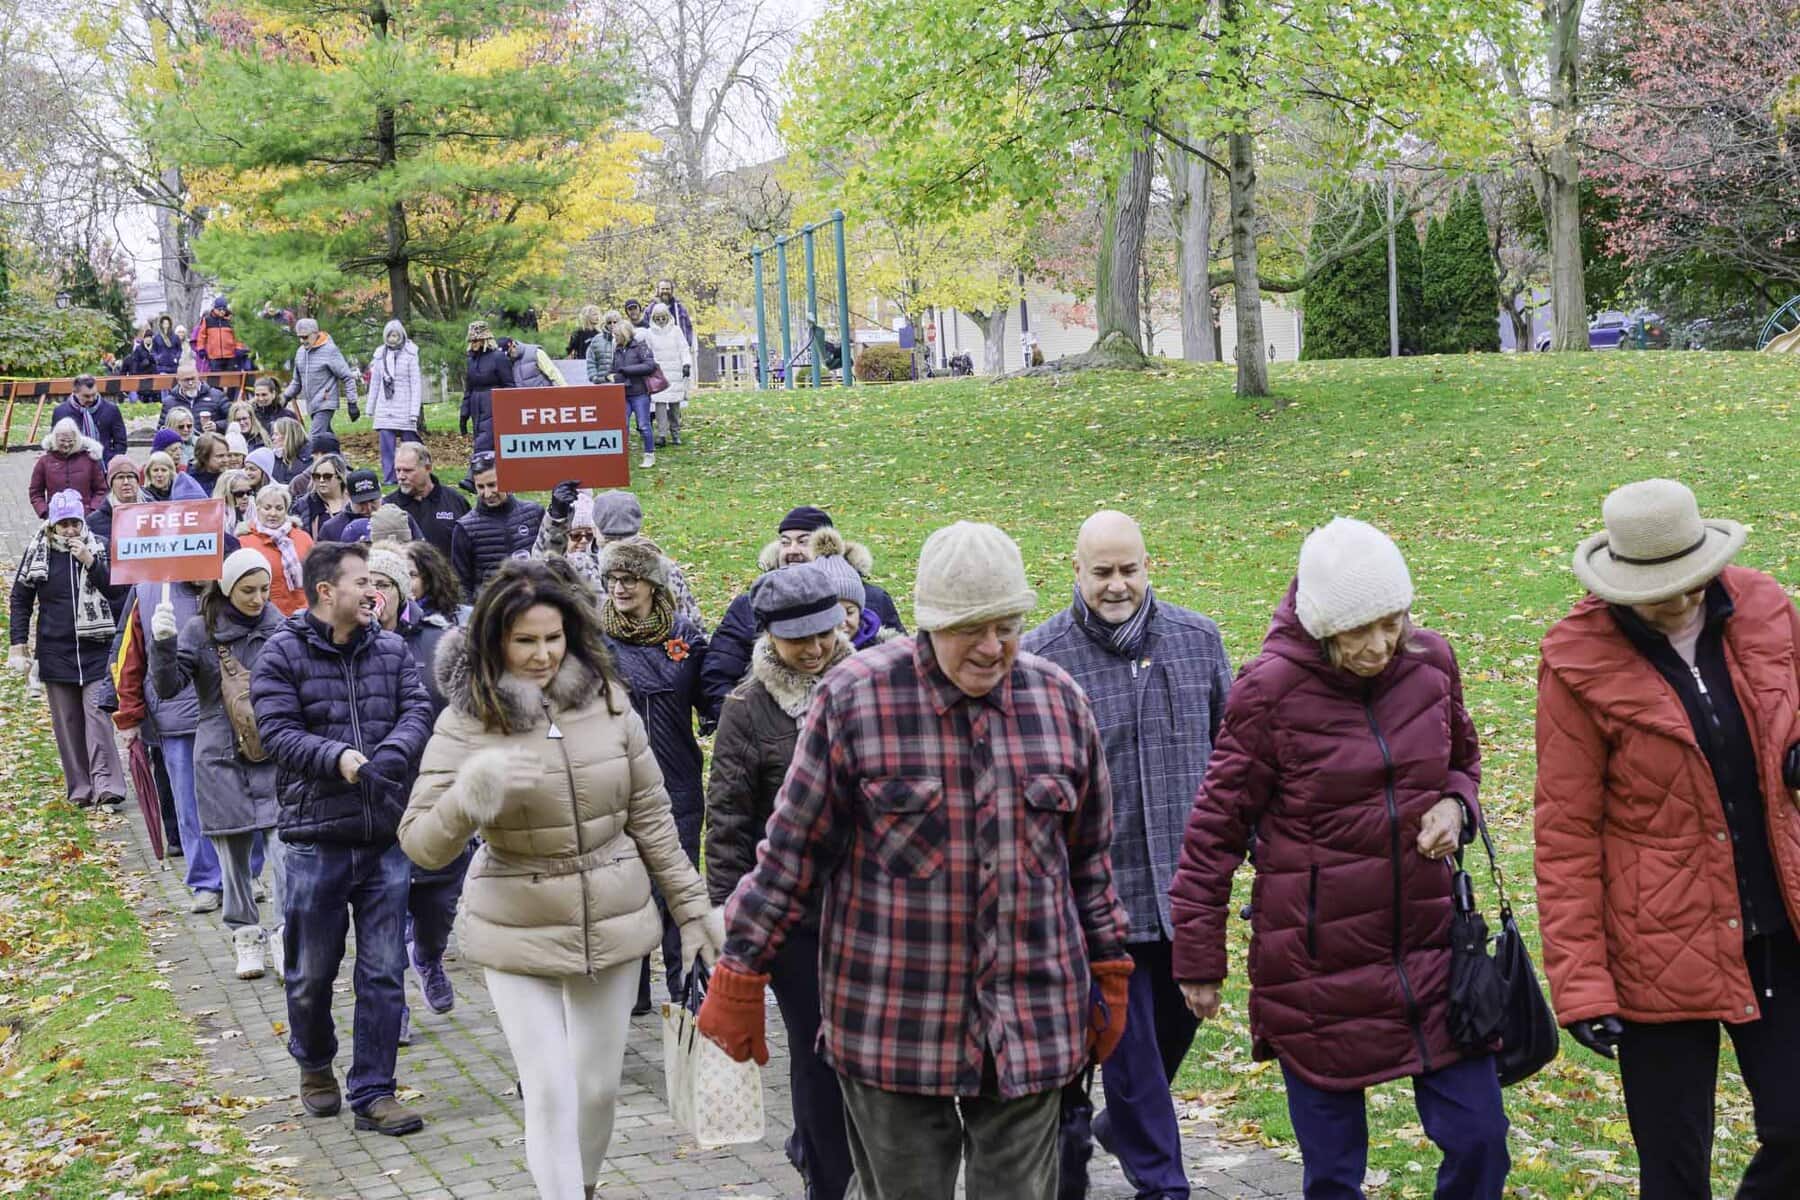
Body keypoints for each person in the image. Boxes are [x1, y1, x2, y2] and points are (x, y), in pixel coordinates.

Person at [697, 521, 1133, 1200]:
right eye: (970, 629)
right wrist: (740, 970)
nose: (993, 648)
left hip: (1032, 1019)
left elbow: (1091, 863)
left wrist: (1109, 969)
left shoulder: (1060, 703)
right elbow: (790, 855)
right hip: (893, 1023)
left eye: (1007, 626)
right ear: (929, 623)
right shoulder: (855, 701)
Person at [1168, 518, 1507, 1199]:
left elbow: (1462, 762)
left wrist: (1455, 807)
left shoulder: (1432, 663)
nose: (1380, 645)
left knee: (1480, 1142)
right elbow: (1214, 832)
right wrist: (1198, 960)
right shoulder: (1267, 693)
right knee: (1333, 1176)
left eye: (1392, 622)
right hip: (1315, 971)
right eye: (1359, 630)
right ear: (1323, 625)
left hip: (1433, 954)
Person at [400, 558, 722, 1200]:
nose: (543, 654)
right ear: (496, 640)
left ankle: (586, 1185)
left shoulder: (608, 701)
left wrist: (692, 909)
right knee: (548, 1087)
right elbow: (421, 845)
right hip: (516, 921)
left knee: (597, 1089)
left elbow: (653, 816)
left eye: (554, 638)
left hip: (614, 914)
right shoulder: (467, 721)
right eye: (526, 641)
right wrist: (472, 794)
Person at [1535, 479, 1800, 1197]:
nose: (1679, 601)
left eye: (1690, 584)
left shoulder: (1768, 610)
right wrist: (1582, 984)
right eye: (1658, 591)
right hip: (1653, 948)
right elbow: (1565, 832)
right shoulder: (1575, 660)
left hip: (1778, 926)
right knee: (1676, 1171)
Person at [1022, 511, 1232, 1200]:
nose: (1117, 585)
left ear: (1149, 567)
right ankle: (1163, 1186)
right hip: (1099, 905)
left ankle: (1121, 1128)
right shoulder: (1041, 658)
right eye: (1102, 572)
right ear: (1074, 571)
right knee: (1133, 1056)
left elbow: (1233, 765)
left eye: (1128, 570)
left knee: (1165, 1044)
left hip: (1188, 898)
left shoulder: (1198, 641)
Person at [250, 541, 435, 1137]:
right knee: (309, 973)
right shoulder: (279, 655)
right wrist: (341, 761)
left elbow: (417, 711)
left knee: (382, 973)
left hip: (385, 837)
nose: (372, 590)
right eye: (361, 581)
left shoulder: (391, 649)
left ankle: (375, 1091)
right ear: (327, 592)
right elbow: (276, 733)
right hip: (313, 841)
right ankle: (314, 1061)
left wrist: (391, 756)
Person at [704, 562, 856, 1200]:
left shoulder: (867, 685)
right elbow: (730, 818)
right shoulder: (747, 708)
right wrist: (727, 916)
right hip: (795, 915)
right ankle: (827, 1173)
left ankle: (845, 1150)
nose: (815, 648)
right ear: (768, 636)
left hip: (872, 909)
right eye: (798, 639)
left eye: (823, 632)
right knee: (817, 1049)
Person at [153, 549, 287, 979]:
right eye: (248, 590)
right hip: (219, 754)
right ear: (227, 589)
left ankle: (286, 933)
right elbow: (169, 688)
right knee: (232, 854)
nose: (258, 598)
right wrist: (163, 645)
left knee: (285, 850)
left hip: (272, 753)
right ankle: (246, 935)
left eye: (264, 589)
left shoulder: (279, 626)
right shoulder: (200, 629)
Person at [594, 538, 715, 1010]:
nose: (620, 588)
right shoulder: (593, 642)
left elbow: (711, 698)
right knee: (624, 891)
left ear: (652, 583)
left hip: (677, 778)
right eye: (614, 579)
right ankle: (631, 994)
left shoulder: (684, 636)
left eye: (631, 578)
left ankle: (687, 993)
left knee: (678, 887)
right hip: (615, 782)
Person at [365, 546, 461, 1042]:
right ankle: (393, 1005)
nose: (374, 595)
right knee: (385, 909)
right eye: (367, 585)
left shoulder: (438, 640)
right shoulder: (346, 644)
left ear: (403, 592)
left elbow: (464, 709)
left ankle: (429, 954)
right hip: (377, 799)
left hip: (436, 793)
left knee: (438, 904)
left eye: (384, 585)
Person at [702, 506, 905, 707]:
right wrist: (744, 723)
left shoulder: (874, 600)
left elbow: (904, 668)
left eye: (803, 542)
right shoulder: (749, 605)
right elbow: (718, 675)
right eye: (785, 542)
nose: (792, 551)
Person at [8, 490, 126, 812]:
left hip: (96, 649)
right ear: (53, 527)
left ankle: (108, 787)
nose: (71, 531)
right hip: (55, 650)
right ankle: (81, 789)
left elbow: (120, 593)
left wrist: (91, 563)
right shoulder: (39, 552)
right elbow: (21, 598)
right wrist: (19, 643)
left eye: (75, 523)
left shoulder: (99, 546)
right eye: (64, 525)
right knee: (68, 722)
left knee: (98, 716)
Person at [113, 571, 219, 910]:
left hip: (224, 713)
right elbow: (130, 657)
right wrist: (128, 713)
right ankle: (205, 880)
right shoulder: (148, 591)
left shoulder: (229, 581)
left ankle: (243, 873)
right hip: (175, 716)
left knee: (235, 799)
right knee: (188, 805)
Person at [450, 452, 544, 602]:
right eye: (480, 487)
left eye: (492, 485)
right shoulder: (464, 528)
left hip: (533, 603)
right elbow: (461, 584)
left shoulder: (535, 513)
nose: (487, 493)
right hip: (491, 610)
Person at [238, 484, 316, 617]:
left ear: (286, 510)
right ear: (258, 509)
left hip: (305, 613)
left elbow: (316, 575)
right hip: (267, 616)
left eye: (279, 508)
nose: (273, 513)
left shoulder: (303, 538)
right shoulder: (244, 542)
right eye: (267, 508)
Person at [386, 444, 469, 561]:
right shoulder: (389, 507)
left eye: (408, 470)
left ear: (428, 468)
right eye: (398, 470)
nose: (401, 476)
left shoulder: (454, 500)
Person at [283, 318, 361, 438]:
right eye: (299, 337)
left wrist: (352, 403)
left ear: (315, 333)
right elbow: (297, 382)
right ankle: (337, 456)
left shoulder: (330, 350)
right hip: (312, 405)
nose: (302, 341)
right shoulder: (300, 353)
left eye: (305, 337)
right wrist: (285, 397)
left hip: (325, 403)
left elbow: (347, 377)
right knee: (327, 440)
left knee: (313, 439)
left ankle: (307, 457)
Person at [370, 320, 425, 485]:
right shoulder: (380, 355)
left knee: (411, 444)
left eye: (395, 335)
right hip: (385, 406)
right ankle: (389, 477)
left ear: (401, 336)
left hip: (405, 405)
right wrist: (370, 407)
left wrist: (414, 411)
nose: (393, 338)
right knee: (386, 444)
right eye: (390, 335)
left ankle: (417, 471)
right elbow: (375, 382)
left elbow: (415, 384)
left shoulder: (410, 354)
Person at [29, 418, 107, 518]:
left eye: (70, 441)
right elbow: (35, 492)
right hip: (55, 518)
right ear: (54, 439)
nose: (66, 445)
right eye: (62, 440)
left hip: (86, 517)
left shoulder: (90, 460)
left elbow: (101, 490)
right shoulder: (44, 462)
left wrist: (93, 510)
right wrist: (45, 512)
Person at [641, 303, 693, 448]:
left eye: (663, 317)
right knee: (660, 406)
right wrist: (649, 367)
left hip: (675, 372)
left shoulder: (676, 331)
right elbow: (647, 353)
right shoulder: (650, 333)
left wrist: (686, 364)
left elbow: (684, 348)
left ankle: (676, 433)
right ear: (654, 318)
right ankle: (662, 435)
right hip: (659, 374)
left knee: (675, 406)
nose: (661, 321)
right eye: (658, 318)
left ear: (668, 317)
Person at [609, 317, 659, 469]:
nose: (615, 338)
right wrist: (607, 375)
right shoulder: (617, 349)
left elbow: (650, 366)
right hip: (622, 393)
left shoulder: (640, 347)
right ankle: (621, 457)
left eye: (617, 335)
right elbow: (614, 368)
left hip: (639, 393)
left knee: (643, 425)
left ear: (624, 334)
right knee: (622, 426)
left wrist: (626, 371)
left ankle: (649, 454)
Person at [460, 321, 514, 454]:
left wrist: (508, 412)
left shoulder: (498, 358)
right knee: (482, 443)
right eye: (471, 341)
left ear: (485, 340)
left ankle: (475, 473)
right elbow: (469, 388)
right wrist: (464, 414)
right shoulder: (471, 360)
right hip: (476, 406)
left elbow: (509, 386)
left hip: (494, 405)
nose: (473, 344)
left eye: (476, 340)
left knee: (483, 446)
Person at [53, 373, 130, 462]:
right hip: (72, 464)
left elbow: (121, 442)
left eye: (94, 394)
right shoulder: (61, 412)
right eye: (86, 396)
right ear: (75, 392)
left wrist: (111, 459)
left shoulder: (111, 410)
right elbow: (55, 441)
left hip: (104, 464)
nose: (91, 399)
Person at [404, 540, 466, 628]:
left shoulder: (461, 619)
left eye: (412, 575)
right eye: (401, 575)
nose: (404, 582)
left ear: (429, 579)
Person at [293, 453, 351, 541]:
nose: (321, 480)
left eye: (327, 476)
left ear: (340, 477)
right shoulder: (304, 505)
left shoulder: (354, 501)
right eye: (317, 476)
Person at [88, 455, 142, 548]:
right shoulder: (94, 521)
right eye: (120, 477)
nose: (126, 482)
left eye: (130, 476)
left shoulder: (154, 514)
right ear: (111, 484)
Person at [320, 470, 388, 542]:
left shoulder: (395, 518)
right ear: (348, 495)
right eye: (361, 503)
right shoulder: (332, 529)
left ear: (380, 491)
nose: (368, 508)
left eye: (373, 501)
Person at [161, 367, 228, 430]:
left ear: (198, 377)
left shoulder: (217, 396)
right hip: (180, 440)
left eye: (193, 379)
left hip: (210, 439)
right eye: (186, 380)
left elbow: (233, 420)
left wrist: (217, 425)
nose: (190, 383)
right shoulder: (169, 402)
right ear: (178, 380)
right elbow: (162, 428)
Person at [193, 296, 243, 373]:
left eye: (224, 309)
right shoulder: (207, 320)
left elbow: (238, 336)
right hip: (214, 356)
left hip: (230, 355)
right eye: (219, 309)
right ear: (214, 309)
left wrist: (239, 348)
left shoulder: (231, 321)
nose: (222, 312)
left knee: (230, 379)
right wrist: (201, 349)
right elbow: (201, 336)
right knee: (216, 381)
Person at [498, 335, 567, 388]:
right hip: (525, 401)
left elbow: (553, 373)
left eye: (510, 352)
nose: (510, 355)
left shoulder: (535, 352)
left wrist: (567, 391)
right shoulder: (507, 360)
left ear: (513, 345)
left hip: (544, 396)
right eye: (507, 354)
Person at [141, 451, 209, 502]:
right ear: (149, 473)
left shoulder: (182, 492)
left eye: (164, 470)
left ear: (170, 472)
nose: (159, 474)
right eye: (155, 470)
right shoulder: (143, 496)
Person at [653, 280, 695, 349]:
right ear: (658, 290)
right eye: (663, 289)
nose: (665, 291)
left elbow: (688, 328)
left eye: (667, 289)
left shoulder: (680, 309)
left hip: (677, 351)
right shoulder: (650, 309)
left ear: (672, 290)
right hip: (658, 351)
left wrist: (687, 346)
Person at [584, 310, 619, 385]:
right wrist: (594, 377)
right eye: (609, 322)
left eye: (615, 322)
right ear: (606, 324)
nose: (612, 324)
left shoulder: (626, 338)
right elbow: (591, 360)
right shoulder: (597, 339)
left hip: (622, 383)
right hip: (602, 383)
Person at [188, 433, 227, 497]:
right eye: (220, 456)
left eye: (227, 455)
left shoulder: (228, 478)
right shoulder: (190, 482)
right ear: (204, 457)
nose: (226, 460)